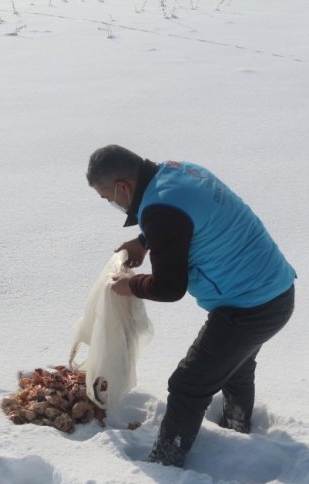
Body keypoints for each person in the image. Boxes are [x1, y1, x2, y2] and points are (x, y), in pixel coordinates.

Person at [86, 144, 295, 467]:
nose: (112, 203)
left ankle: (166, 462)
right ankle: (238, 433)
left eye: (108, 198)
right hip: (276, 289)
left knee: (187, 385)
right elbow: (190, 218)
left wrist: (130, 285)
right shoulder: (178, 170)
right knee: (235, 367)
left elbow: (170, 288)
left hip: (248, 308)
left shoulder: (159, 211)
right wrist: (145, 240)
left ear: (123, 187)